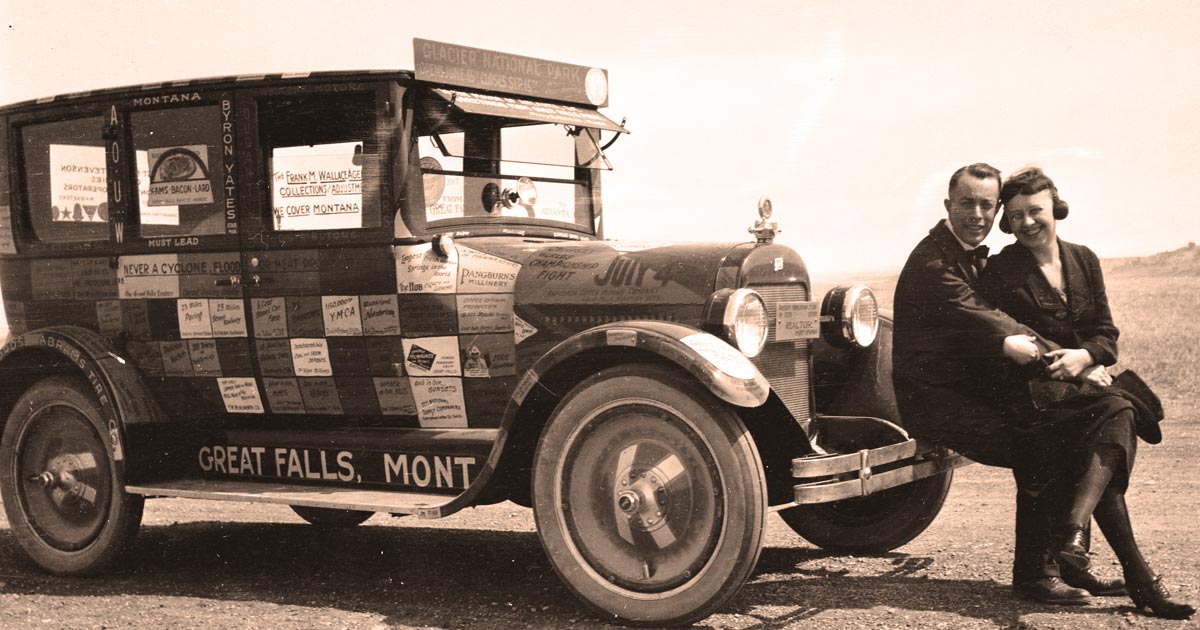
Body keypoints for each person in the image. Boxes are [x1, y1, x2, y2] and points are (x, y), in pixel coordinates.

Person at [978, 167, 1194, 619]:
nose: (1026, 223)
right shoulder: (1001, 269)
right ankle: (1118, 565)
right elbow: (1008, 339)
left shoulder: (1084, 259)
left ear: (1055, 206)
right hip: (1033, 394)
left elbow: (1106, 333)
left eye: (1035, 211)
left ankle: (1089, 547)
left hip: (1082, 392)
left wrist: (1087, 356)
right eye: (1014, 216)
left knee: (1108, 423)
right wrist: (1073, 367)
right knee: (1117, 411)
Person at [893, 163, 1111, 604]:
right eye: (966, 203)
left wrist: (1085, 357)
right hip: (936, 400)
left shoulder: (966, 254)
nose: (977, 213)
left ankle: (1068, 563)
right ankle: (1035, 574)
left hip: (969, 389)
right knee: (1041, 440)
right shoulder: (934, 263)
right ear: (947, 206)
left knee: (1071, 425)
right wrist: (1081, 366)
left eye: (986, 205)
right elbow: (996, 323)